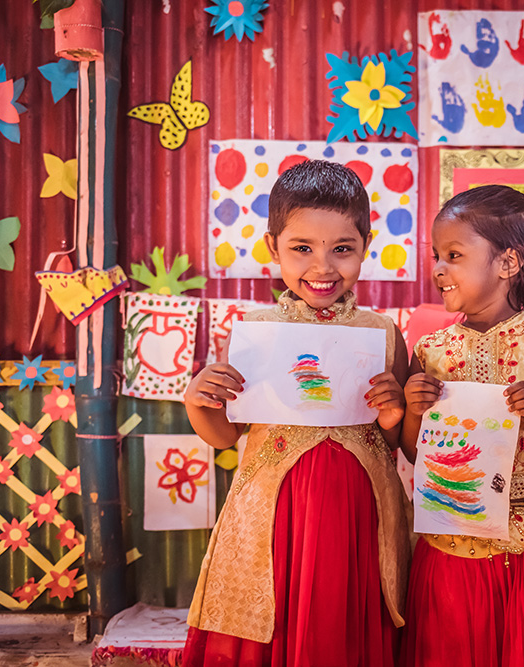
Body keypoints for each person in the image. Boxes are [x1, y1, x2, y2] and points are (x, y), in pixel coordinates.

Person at [182, 160, 410, 667]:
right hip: (277, 512)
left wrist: (394, 418)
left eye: (342, 249)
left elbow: (394, 442)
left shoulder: (384, 333)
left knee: (346, 619)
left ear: (365, 248)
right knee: (277, 615)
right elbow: (223, 436)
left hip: (359, 513)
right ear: (273, 248)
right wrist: (198, 402)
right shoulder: (254, 333)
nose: (322, 267)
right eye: (302, 249)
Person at [398, 185, 524, 667]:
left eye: (453, 255)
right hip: (451, 533)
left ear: (508, 263)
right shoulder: (430, 350)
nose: (438, 269)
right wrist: (411, 410)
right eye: (435, 256)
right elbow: (411, 452)